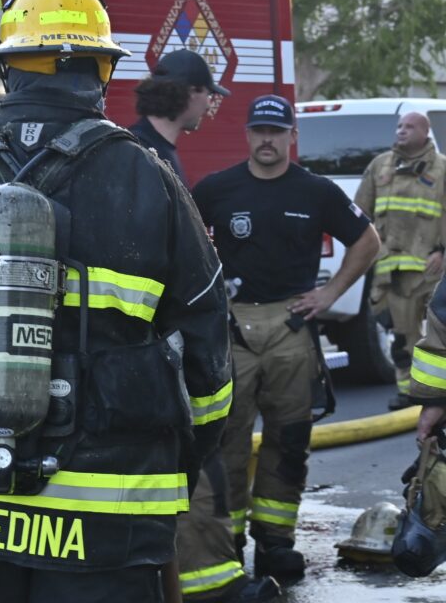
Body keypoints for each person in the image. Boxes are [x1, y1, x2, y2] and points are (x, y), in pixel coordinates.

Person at [0, 0, 233, 603]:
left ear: (7, 71)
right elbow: (206, 351)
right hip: (104, 518)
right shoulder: (147, 178)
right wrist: (181, 460)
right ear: (101, 73)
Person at [192, 95, 380, 582]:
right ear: (248, 135)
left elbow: (368, 241)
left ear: (292, 137)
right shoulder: (216, 189)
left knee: (289, 439)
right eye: (260, 130)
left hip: (291, 327)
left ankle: (276, 542)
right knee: (227, 440)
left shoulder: (316, 191)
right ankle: (226, 543)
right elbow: (181, 241)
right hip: (232, 329)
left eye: (276, 132)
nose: (267, 140)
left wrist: (330, 293)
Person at [128, 58, 274, 602]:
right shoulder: (144, 156)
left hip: (160, 344)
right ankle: (212, 588)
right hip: (158, 346)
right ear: (187, 93)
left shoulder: (151, 152)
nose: (211, 105)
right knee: (191, 462)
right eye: (208, 94)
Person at [354, 111, 446, 410]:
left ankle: (437, 393)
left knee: (439, 334)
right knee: (402, 336)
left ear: (425, 132)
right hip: (390, 270)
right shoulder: (380, 166)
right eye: (399, 126)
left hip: (431, 269)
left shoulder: (442, 169)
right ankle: (409, 392)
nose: (401, 131)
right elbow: (360, 213)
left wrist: (442, 251)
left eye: (409, 126)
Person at [130, 47, 230, 185]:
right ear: (192, 92)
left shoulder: (149, 149)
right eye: (208, 95)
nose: (208, 105)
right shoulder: (139, 152)